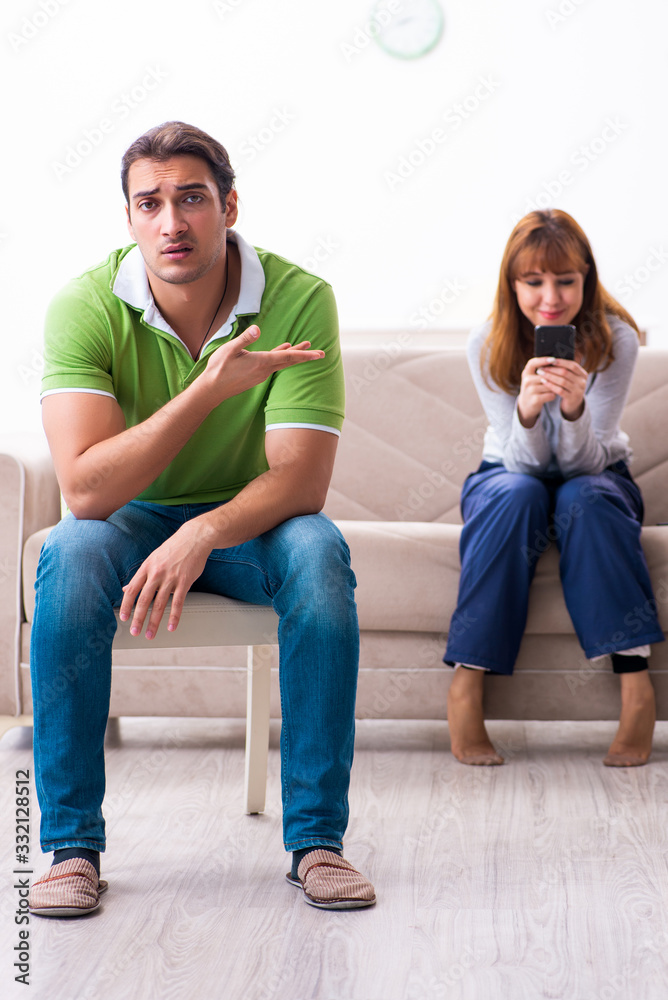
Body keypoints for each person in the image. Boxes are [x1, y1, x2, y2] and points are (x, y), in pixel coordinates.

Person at [28, 121, 375, 916]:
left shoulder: (298, 298)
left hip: (253, 524)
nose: (171, 222)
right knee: (69, 552)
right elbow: (86, 491)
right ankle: (70, 848)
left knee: (320, 554)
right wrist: (208, 389)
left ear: (230, 207)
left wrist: (205, 530)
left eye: (191, 199)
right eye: (149, 204)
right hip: (127, 520)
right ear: (128, 217)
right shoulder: (84, 305)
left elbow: (302, 480)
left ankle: (318, 842)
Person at [444, 209, 663, 768]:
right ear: (512, 283)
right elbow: (525, 466)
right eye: (534, 281)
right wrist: (525, 410)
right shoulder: (487, 343)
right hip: (507, 474)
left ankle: (636, 689)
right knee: (519, 495)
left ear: (587, 278)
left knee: (584, 497)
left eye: (566, 280)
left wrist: (572, 408)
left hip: (597, 475)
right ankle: (466, 684)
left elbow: (584, 464)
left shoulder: (615, 339)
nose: (551, 298)